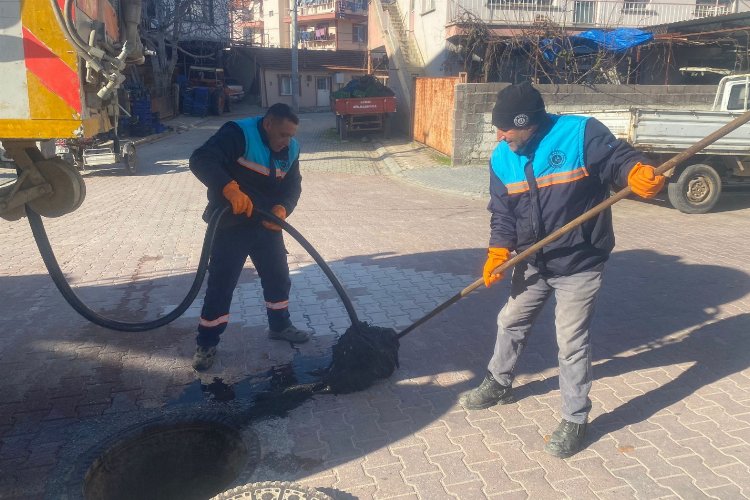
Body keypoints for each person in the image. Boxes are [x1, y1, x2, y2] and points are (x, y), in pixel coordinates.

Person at [460, 82, 666, 458]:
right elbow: (503, 213)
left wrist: (637, 171)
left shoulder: (579, 133)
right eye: (498, 128)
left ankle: (575, 418)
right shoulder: (502, 158)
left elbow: (618, 160)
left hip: (580, 261)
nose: (500, 135)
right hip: (533, 261)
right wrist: (497, 252)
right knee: (510, 321)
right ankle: (499, 381)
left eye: (506, 128)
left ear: (529, 124)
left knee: (571, 343)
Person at [189, 103, 311, 372]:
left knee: (278, 276)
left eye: (291, 135)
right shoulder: (239, 134)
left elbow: (293, 185)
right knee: (222, 284)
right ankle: (207, 343)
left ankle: (280, 325)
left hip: (267, 224)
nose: (286, 141)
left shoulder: (291, 149)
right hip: (231, 223)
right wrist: (228, 189)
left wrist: (284, 208)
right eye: (282, 134)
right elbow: (201, 159)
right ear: (267, 124)